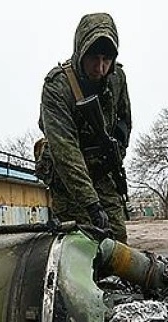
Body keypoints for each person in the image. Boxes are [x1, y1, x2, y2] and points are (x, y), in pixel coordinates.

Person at [37, 12, 132, 243]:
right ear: (81, 52)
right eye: (94, 58)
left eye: (106, 60)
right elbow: (65, 150)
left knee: (117, 242)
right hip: (69, 180)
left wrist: (117, 146)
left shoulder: (117, 77)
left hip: (103, 172)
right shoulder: (58, 86)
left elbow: (124, 119)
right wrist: (91, 203)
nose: (100, 68)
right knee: (81, 245)